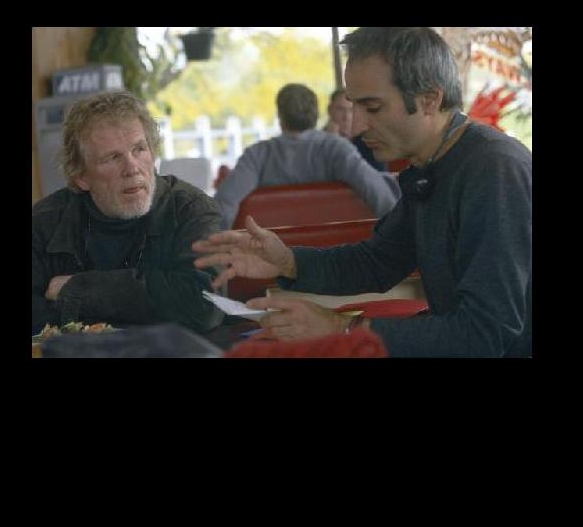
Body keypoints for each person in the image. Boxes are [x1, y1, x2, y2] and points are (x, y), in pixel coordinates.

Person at [193, 27, 531, 357]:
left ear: (429, 100)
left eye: (373, 108)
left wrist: (342, 328)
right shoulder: (430, 165)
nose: (356, 125)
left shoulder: (494, 169)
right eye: (354, 105)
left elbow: (485, 334)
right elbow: (378, 262)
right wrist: (287, 262)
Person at [32, 91, 224, 335]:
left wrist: (79, 289)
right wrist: (152, 300)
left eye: (139, 149)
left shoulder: (191, 210)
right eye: (112, 158)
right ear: (81, 177)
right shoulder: (44, 223)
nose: (132, 168)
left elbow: (205, 304)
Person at [214, 83, 400, 230]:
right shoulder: (336, 149)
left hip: (267, 256)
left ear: (280, 117)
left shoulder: (257, 155)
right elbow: (378, 193)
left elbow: (224, 202)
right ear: (317, 115)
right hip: (337, 253)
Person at [324, 88, 385, 171]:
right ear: (330, 110)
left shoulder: (370, 142)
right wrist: (332, 143)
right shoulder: (317, 141)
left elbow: (376, 176)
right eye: (341, 109)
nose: (347, 117)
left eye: (351, 110)